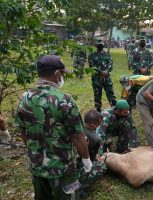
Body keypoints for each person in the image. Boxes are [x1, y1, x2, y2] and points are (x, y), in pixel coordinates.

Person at [15, 55, 92, 200]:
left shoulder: (24, 98)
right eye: (62, 74)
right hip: (62, 168)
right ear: (57, 74)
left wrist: (35, 152)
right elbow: (78, 136)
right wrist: (86, 158)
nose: (62, 77)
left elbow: (23, 131)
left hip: (36, 165)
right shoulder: (65, 101)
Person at [77, 109, 107, 199]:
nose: (99, 126)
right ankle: (82, 187)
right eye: (99, 124)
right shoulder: (95, 139)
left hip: (62, 166)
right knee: (102, 166)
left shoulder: (75, 129)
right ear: (93, 125)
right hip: (76, 169)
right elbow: (91, 160)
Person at [88, 38, 116, 112]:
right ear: (96, 45)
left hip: (106, 78)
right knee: (97, 95)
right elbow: (92, 66)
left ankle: (115, 109)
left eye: (101, 44)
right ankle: (98, 110)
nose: (100, 45)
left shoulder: (108, 54)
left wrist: (106, 72)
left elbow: (110, 65)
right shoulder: (91, 55)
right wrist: (101, 72)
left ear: (103, 45)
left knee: (110, 93)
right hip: (96, 78)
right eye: (98, 44)